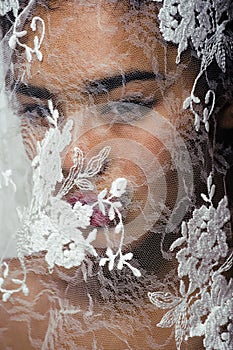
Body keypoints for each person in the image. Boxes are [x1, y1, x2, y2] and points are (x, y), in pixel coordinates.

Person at [0, 1, 232, 349]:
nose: (69, 158)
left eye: (128, 104)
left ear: (220, 105)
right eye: (37, 111)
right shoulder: (14, 313)